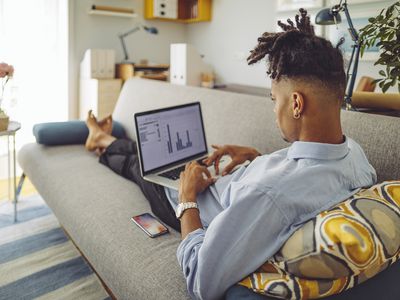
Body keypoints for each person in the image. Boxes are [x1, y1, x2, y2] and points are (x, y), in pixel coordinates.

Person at [84, 9, 377, 300]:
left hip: (193, 203)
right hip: (228, 182)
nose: (275, 111)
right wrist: (258, 159)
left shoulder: (269, 196)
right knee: (162, 159)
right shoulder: (354, 155)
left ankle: (102, 139)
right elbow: (299, 176)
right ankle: (108, 138)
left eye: (275, 100)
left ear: (297, 104)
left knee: (140, 166)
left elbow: (201, 281)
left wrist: (187, 198)